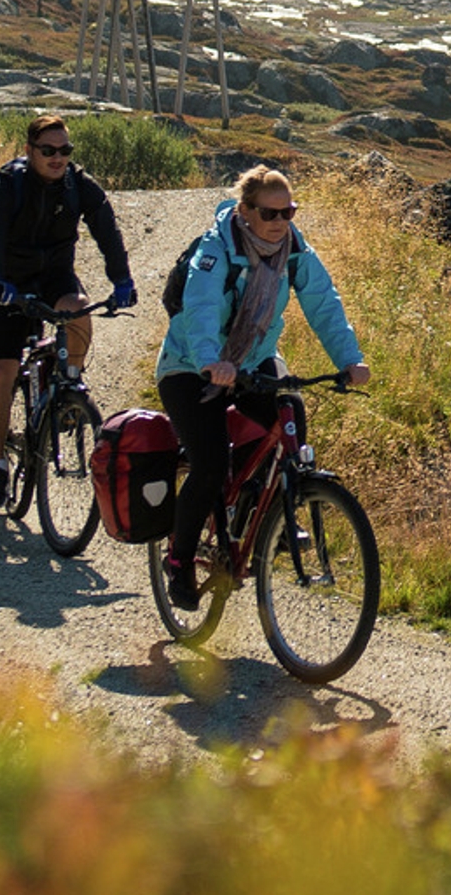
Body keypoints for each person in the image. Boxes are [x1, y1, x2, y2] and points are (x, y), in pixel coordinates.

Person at [151, 165, 366, 609]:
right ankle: (180, 560)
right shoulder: (216, 249)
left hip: (250, 361)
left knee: (290, 422)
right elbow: (201, 306)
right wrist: (212, 359)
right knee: (209, 466)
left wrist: (349, 360)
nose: (281, 222)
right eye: (271, 213)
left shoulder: (294, 248)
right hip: (191, 366)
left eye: (289, 211)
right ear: (246, 210)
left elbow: (323, 302)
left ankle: (273, 515)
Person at [0, 113, 139, 510]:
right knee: (0, 373)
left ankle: (70, 387)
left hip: (55, 275)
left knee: (77, 309)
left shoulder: (79, 185)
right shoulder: (7, 186)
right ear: (30, 152)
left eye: (64, 150)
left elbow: (107, 230)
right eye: (48, 150)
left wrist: (122, 281)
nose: (57, 158)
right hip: (7, 281)